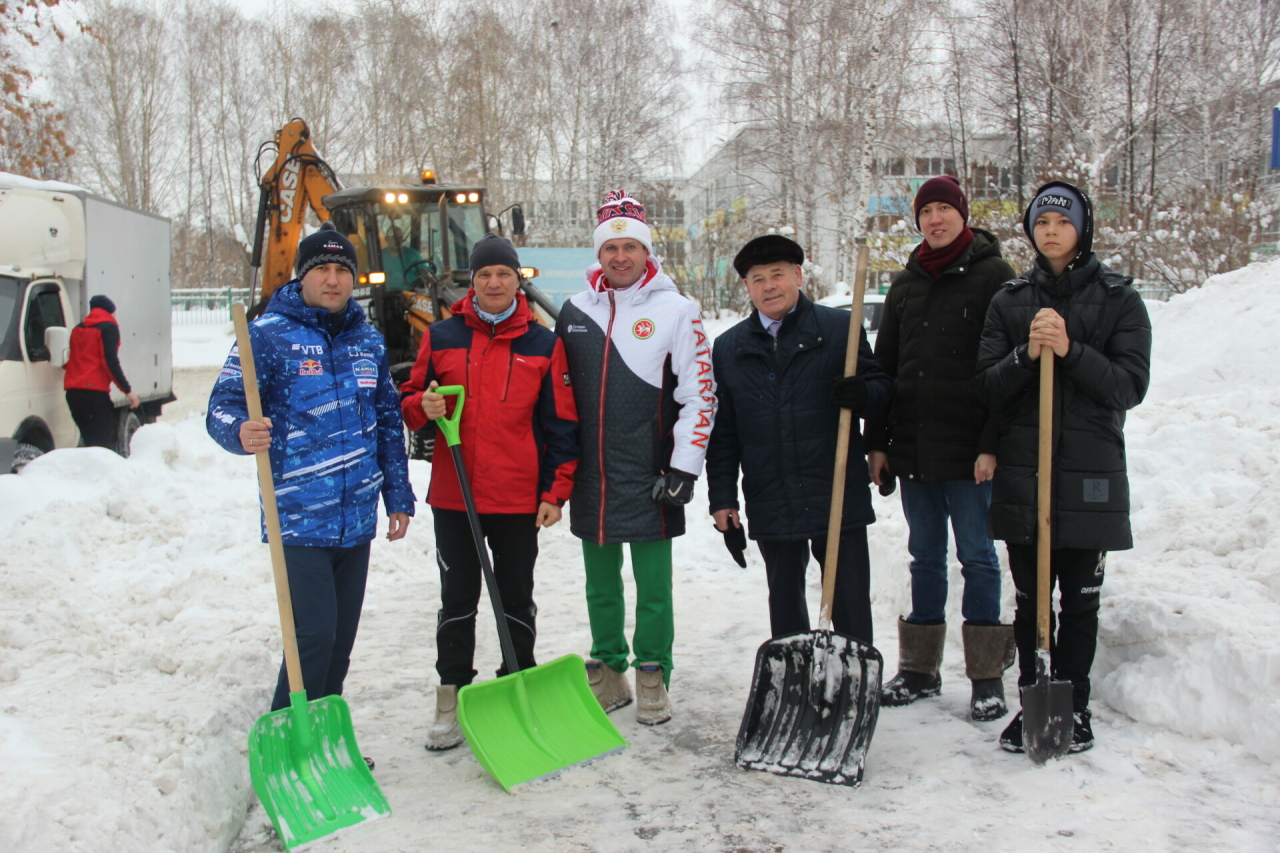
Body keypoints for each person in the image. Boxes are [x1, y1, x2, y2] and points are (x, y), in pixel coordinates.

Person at [207, 222, 416, 731]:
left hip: (356, 516)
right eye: (321, 269)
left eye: (342, 269)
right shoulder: (268, 335)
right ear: (303, 276)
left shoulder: (367, 340)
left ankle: (324, 741)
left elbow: (388, 420)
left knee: (341, 641)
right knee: (314, 635)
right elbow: (221, 408)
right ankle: (288, 737)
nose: (332, 279)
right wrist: (241, 432)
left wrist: (399, 495)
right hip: (298, 516)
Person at [975, 180, 1151, 754]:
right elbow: (987, 388)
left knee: (1079, 599)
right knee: (1029, 599)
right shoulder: (1010, 300)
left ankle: (1074, 707)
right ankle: (1032, 699)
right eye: (1041, 222)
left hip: (1089, 473)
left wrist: (1071, 350)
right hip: (1026, 471)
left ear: (1082, 227)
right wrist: (1027, 355)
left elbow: (1128, 386)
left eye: (1062, 221)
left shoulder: (1120, 298)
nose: (1050, 231)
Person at [400, 232, 579, 751]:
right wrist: (423, 409)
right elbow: (412, 400)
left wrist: (555, 493)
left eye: (503, 273)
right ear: (472, 282)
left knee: (516, 596)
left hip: (520, 497)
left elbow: (561, 426)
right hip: (456, 496)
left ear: (517, 279)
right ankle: (451, 693)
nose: (494, 283)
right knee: (457, 597)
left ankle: (517, 680)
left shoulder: (544, 344)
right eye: (484, 275)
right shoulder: (443, 336)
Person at [554, 189, 716, 725]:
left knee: (653, 587)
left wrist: (683, 467)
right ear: (597, 255)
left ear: (647, 252)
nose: (620, 257)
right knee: (600, 584)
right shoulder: (575, 311)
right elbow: (556, 393)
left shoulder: (678, 310)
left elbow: (700, 396)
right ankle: (609, 669)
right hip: (592, 476)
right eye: (610, 247)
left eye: (630, 246)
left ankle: (652, 671)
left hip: (652, 475)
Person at [863, 176, 1019, 721]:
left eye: (943, 209)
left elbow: (1007, 371)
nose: (935, 219)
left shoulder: (995, 276)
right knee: (924, 556)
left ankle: (986, 676)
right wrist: (877, 444)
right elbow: (885, 370)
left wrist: (991, 443)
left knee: (977, 556)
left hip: (970, 450)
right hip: (915, 449)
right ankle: (920, 671)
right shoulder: (905, 285)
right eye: (925, 211)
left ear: (962, 214)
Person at [706, 234, 890, 647]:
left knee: (848, 598)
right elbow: (724, 434)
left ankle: (854, 679)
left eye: (778, 274)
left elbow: (881, 389)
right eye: (758, 279)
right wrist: (722, 499)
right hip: (772, 492)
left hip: (836, 487)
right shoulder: (730, 348)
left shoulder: (839, 328)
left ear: (798, 276)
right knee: (785, 600)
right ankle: (794, 683)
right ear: (747, 287)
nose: (769, 286)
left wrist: (864, 393)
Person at [63, 294, 140, 451]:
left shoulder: (78, 329)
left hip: (73, 394)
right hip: (94, 394)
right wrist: (128, 391)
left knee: (89, 440)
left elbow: (73, 358)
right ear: (109, 311)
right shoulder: (109, 328)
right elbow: (109, 361)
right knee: (104, 444)